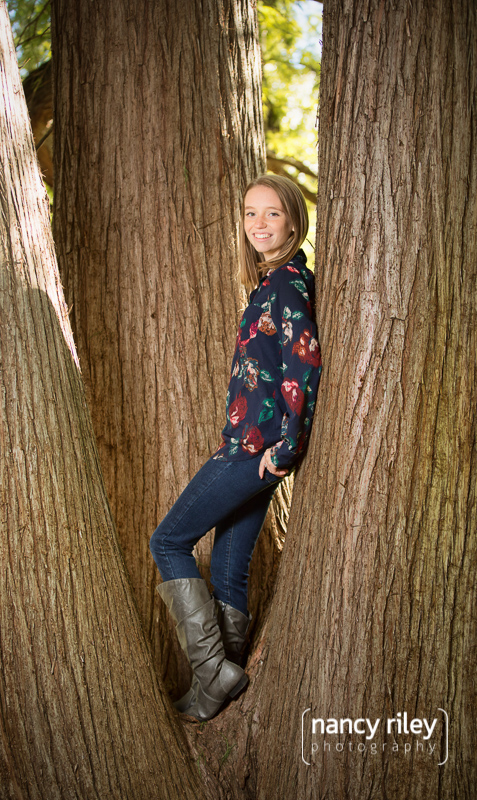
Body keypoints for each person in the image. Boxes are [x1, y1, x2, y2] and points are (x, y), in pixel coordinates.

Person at [150, 174, 322, 721]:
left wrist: (287, 447)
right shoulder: (273, 283)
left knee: (168, 541)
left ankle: (210, 671)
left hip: (254, 447)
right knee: (229, 567)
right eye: (251, 213)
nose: (259, 225)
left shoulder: (286, 287)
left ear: (294, 221)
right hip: (258, 444)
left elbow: (304, 364)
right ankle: (217, 690)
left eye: (272, 214)